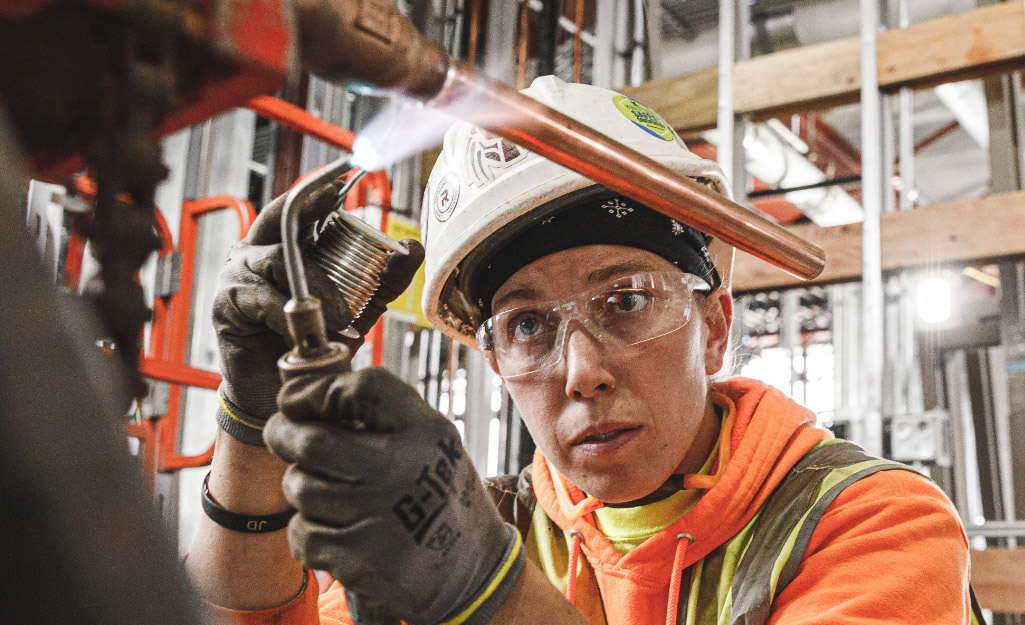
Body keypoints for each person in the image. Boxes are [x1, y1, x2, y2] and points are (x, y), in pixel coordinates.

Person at [186, 76, 982, 625]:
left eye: (625, 301)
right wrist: (252, 423)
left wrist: (485, 594)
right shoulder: (475, 526)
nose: (582, 371)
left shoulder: (863, 523)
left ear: (713, 324)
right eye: (528, 324)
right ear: (494, 360)